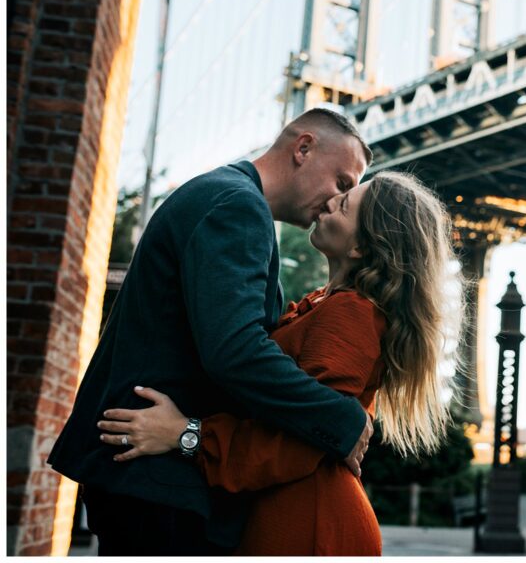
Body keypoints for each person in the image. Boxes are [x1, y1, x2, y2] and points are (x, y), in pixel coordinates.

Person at [48, 108, 377, 555]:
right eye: (342, 181)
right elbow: (236, 350)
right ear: (303, 148)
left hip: (151, 472)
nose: (338, 199)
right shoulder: (237, 207)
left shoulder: (226, 196)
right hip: (155, 478)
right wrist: (342, 418)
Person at [95, 170, 462, 555]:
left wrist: (186, 435)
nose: (329, 201)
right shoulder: (327, 304)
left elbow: (304, 441)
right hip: (288, 510)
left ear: (360, 248)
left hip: (306, 524)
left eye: (344, 204)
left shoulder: (351, 313)